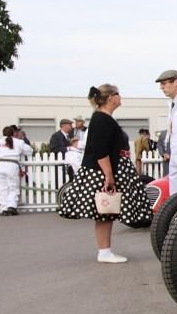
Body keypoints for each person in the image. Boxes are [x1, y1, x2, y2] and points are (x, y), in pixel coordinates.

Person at [57, 85, 150, 262]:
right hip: (103, 171)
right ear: (110, 98)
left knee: (106, 211)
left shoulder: (103, 118)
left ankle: (105, 251)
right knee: (105, 210)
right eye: (117, 94)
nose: (120, 97)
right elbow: (100, 150)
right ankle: (104, 252)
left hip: (107, 169)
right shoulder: (102, 119)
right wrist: (108, 175)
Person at [0, 125, 32, 215]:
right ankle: (11, 206)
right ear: (13, 133)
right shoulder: (19, 142)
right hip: (11, 165)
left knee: (1, 188)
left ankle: (3, 208)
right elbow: (29, 151)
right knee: (12, 187)